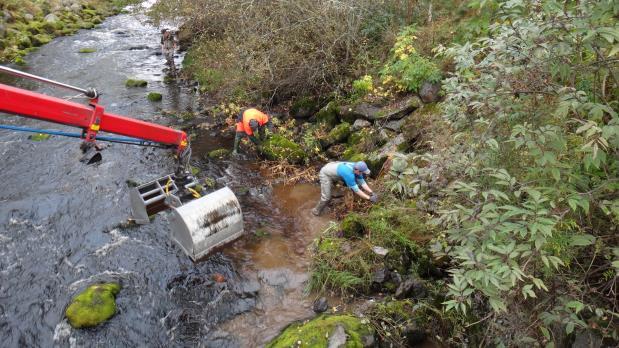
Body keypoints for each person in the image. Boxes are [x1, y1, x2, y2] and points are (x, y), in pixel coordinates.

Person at [312, 161, 377, 216]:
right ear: (357, 170)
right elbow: (356, 190)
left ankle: (330, 198)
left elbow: (362, 182)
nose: (362, 174)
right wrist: (369, 198)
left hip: (334, 168)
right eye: (362, 172)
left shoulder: (356, 167)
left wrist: (371, 192)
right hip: (325, 174)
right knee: (326, 197)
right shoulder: (349, 174)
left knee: (334, 189)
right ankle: (315, 211)